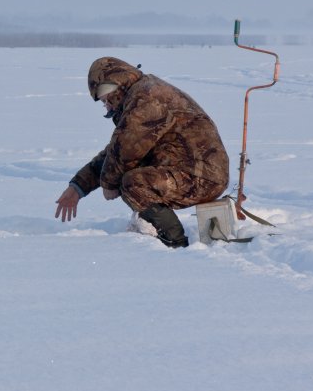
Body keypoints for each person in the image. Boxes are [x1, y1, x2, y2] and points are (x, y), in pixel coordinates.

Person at [55, 57, 229, 248]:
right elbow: (115, 150)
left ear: (113, 88)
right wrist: (78, 187)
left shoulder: (147, 99)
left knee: (133, 184)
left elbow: (125, 151)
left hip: (201, 176)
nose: (107, 107)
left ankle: (175, 242)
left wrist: (109, 183)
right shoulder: (142, 92)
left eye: (105, 100)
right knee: (130, 176)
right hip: (196, 171)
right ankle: (156, 229)